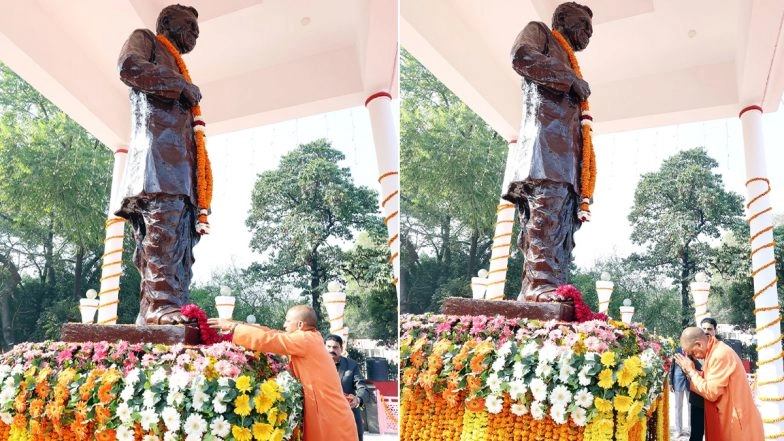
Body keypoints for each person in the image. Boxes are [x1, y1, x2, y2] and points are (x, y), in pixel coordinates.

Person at [116, 4, 206, 325]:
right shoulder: (147, 40)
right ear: (167, 22)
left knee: (181, 242)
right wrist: (179, 85)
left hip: (182, 169)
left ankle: (171, 307)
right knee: (161, 233)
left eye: (197, 30)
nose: (194, 34)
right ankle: (159, 306)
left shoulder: (181, 65)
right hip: (157, 160)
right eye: (189, 26)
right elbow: (129, 67)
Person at [503, 2, 594, 301]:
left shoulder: (569, 58)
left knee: (562, 228)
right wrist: (570, 81)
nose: (589, 34)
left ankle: (551, 286)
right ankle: (540, 285)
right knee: (544, 218)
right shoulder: (540, 32)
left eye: (591, 31)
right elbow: (521, 56)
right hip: (544, 149)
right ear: (563, 19)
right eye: (584, 25)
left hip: (568, 159)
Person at [208, 305, 358, 441]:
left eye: (287, 321)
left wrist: (233, 326)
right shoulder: (309, 337)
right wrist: (236, 324)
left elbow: (269, 339)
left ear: (300, 325)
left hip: (331, 420)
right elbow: (272, 332)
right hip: (329, 415)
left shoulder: (305, 339)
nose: (284, 325)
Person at [674, 327, 763, 441]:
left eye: (693, 353)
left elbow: (711, 392)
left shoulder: (719, 354)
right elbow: (708, 381)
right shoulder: (714, 351)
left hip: (738, 423)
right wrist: (692, 371)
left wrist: (691, 371)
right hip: (732, 419)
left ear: (699, 344)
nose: (695, 357)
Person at [326, 335, 371, 441]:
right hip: (325, 419)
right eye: (328, 347)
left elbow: (363, 388)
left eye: (335, 347)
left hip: (348, 418)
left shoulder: (351, 365)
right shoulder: (316, 365)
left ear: (341, 349)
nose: (331, 350)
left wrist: (357, 399)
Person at [670, 347, 691, 438]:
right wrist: (671, 382)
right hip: (678, 381)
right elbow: (672, 366)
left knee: (691, 407)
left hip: (690, 382)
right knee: (678, 406)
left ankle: (691, 429)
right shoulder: (677, 350)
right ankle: (678, 430)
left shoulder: (692, 350)